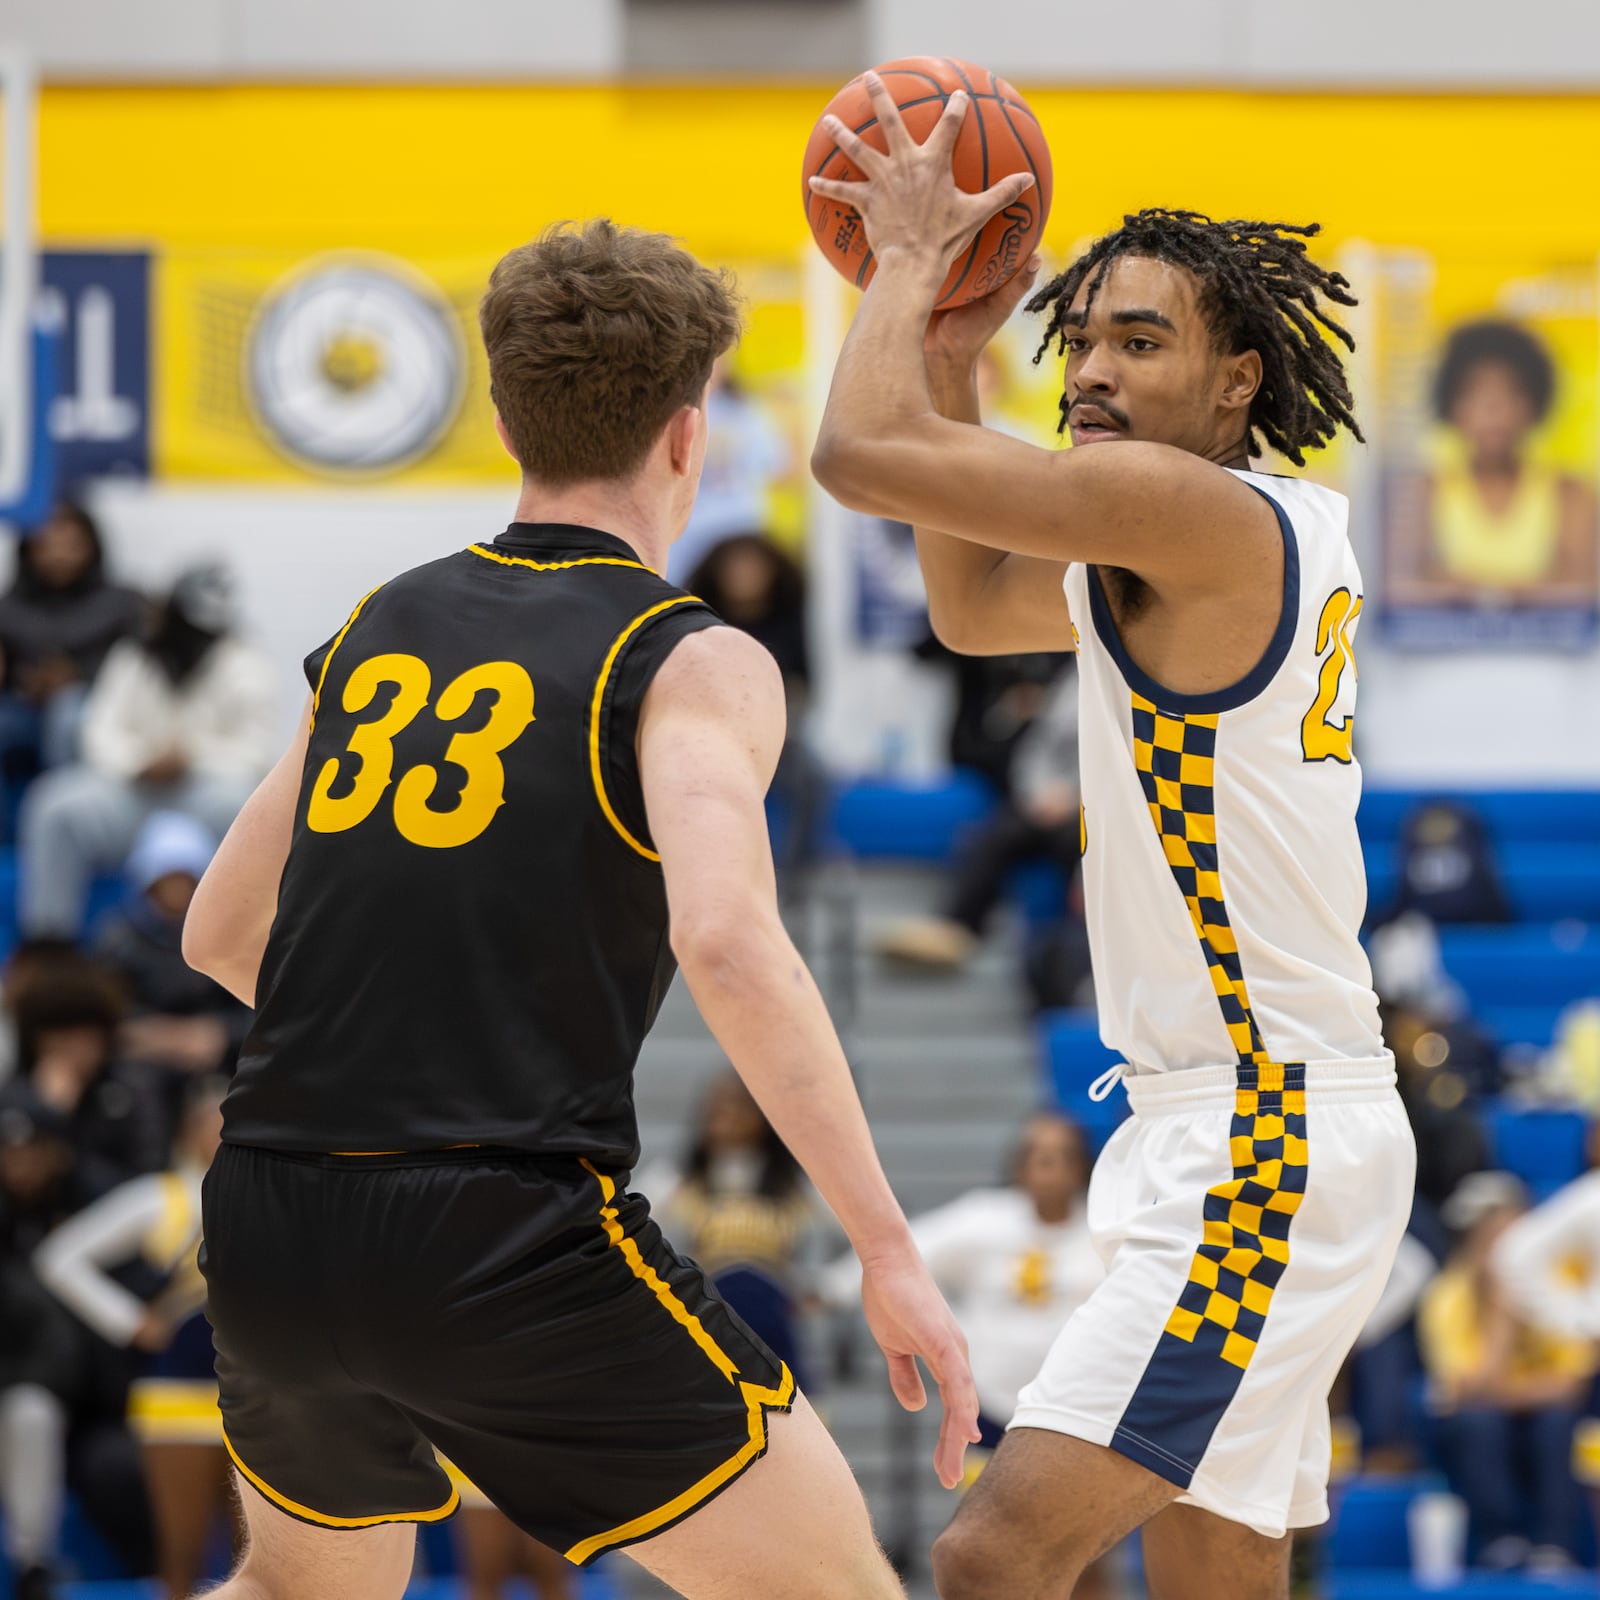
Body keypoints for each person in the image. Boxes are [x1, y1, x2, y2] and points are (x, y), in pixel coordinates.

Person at [180, 218, 976, 1600]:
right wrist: (888, 1247)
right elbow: (725, 937)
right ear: (688, 437)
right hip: (500, 1231)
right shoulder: (691, 658)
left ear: (501, 417)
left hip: (271, 1210)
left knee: (300, 1593)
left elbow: (218, 933)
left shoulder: (379, 619)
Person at [808, 80, 1414, 1600]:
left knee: (996, 1555)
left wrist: (902, 259)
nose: (1089, 369)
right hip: (1234, 1125)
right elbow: (965, 603)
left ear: (1238, 384)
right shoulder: (1222, 535)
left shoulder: (1178, 512)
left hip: (1262, 1140)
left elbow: (858, 455)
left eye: (1139, 341)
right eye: (1078, 337)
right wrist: (955, 345)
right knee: (1217, 1572)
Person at [35, 1077, 232, 1599]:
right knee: (182, 1557)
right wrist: (127, 1320)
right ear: (190, 1130)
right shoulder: (159, 1198)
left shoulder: (277, 1200)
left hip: (258, 1401)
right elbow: (59, 1257)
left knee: (257, 1560)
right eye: (219, 1121)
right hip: (175, 1398)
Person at [18, 564, 278, 939]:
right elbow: (100, 733)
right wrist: (139, 762)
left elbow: (257, 750)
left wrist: (192, 758)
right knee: (55, 806)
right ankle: (49, 946)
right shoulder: (134, 657)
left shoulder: (247, 663)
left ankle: (250, 950)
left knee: (252, 811)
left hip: (203, 795)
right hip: (132, 792)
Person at [1419, 1172, 1589, 1569]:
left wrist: (1506, 1391)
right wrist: (1502, 1316)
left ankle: (1554, 1547)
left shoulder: (1557, 1285)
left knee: (1556, 1421)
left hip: (1539, 1410)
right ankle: (1502, 1541)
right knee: (1478, 1423)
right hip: (1481, 1415)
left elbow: (1570, 1385)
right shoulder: (1448, 1294)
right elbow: (1466, 1388)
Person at [878, 661, 1080, 972]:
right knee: (993, 834)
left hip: (1094, 807)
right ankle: (955, 929)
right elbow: (1037, 749)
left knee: (1084, 850)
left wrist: (1076, 796)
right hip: (1044, 799)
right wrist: (1036, 794)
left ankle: (1077, 958)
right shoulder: (1069, 680)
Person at [1389, 319, 1598, 608]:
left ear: (1534, 404)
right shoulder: (1422, 491)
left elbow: (1582, 590)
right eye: (1477, 395)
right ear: (1452, 405)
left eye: (1510, 393)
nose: (1494, 411)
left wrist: (1468, 589)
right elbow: (1401, 588)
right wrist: (1526, 590)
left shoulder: (1571, 493)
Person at [651, 1070, 822, 1389]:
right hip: (708, 1324)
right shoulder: (681, 1178)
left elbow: (862, 1236)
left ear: (761, 1113)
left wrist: (829, 1287)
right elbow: (622, 1225)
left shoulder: (792, 1183)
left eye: (735, 1104)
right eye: (715, 1104)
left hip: (774, 1327)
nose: (723, 1113)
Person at [0, 501, 143, 833]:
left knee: (68, 714)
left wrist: (78, 676)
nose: (59, 555)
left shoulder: (122, 603)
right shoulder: (8, 607)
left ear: (92, 546)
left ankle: (64, 821)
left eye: (71, 545)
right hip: (24, 709)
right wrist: (24, 683)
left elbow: (140, 671)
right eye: (47, 545)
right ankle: (8, 834)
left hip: (98, 707)